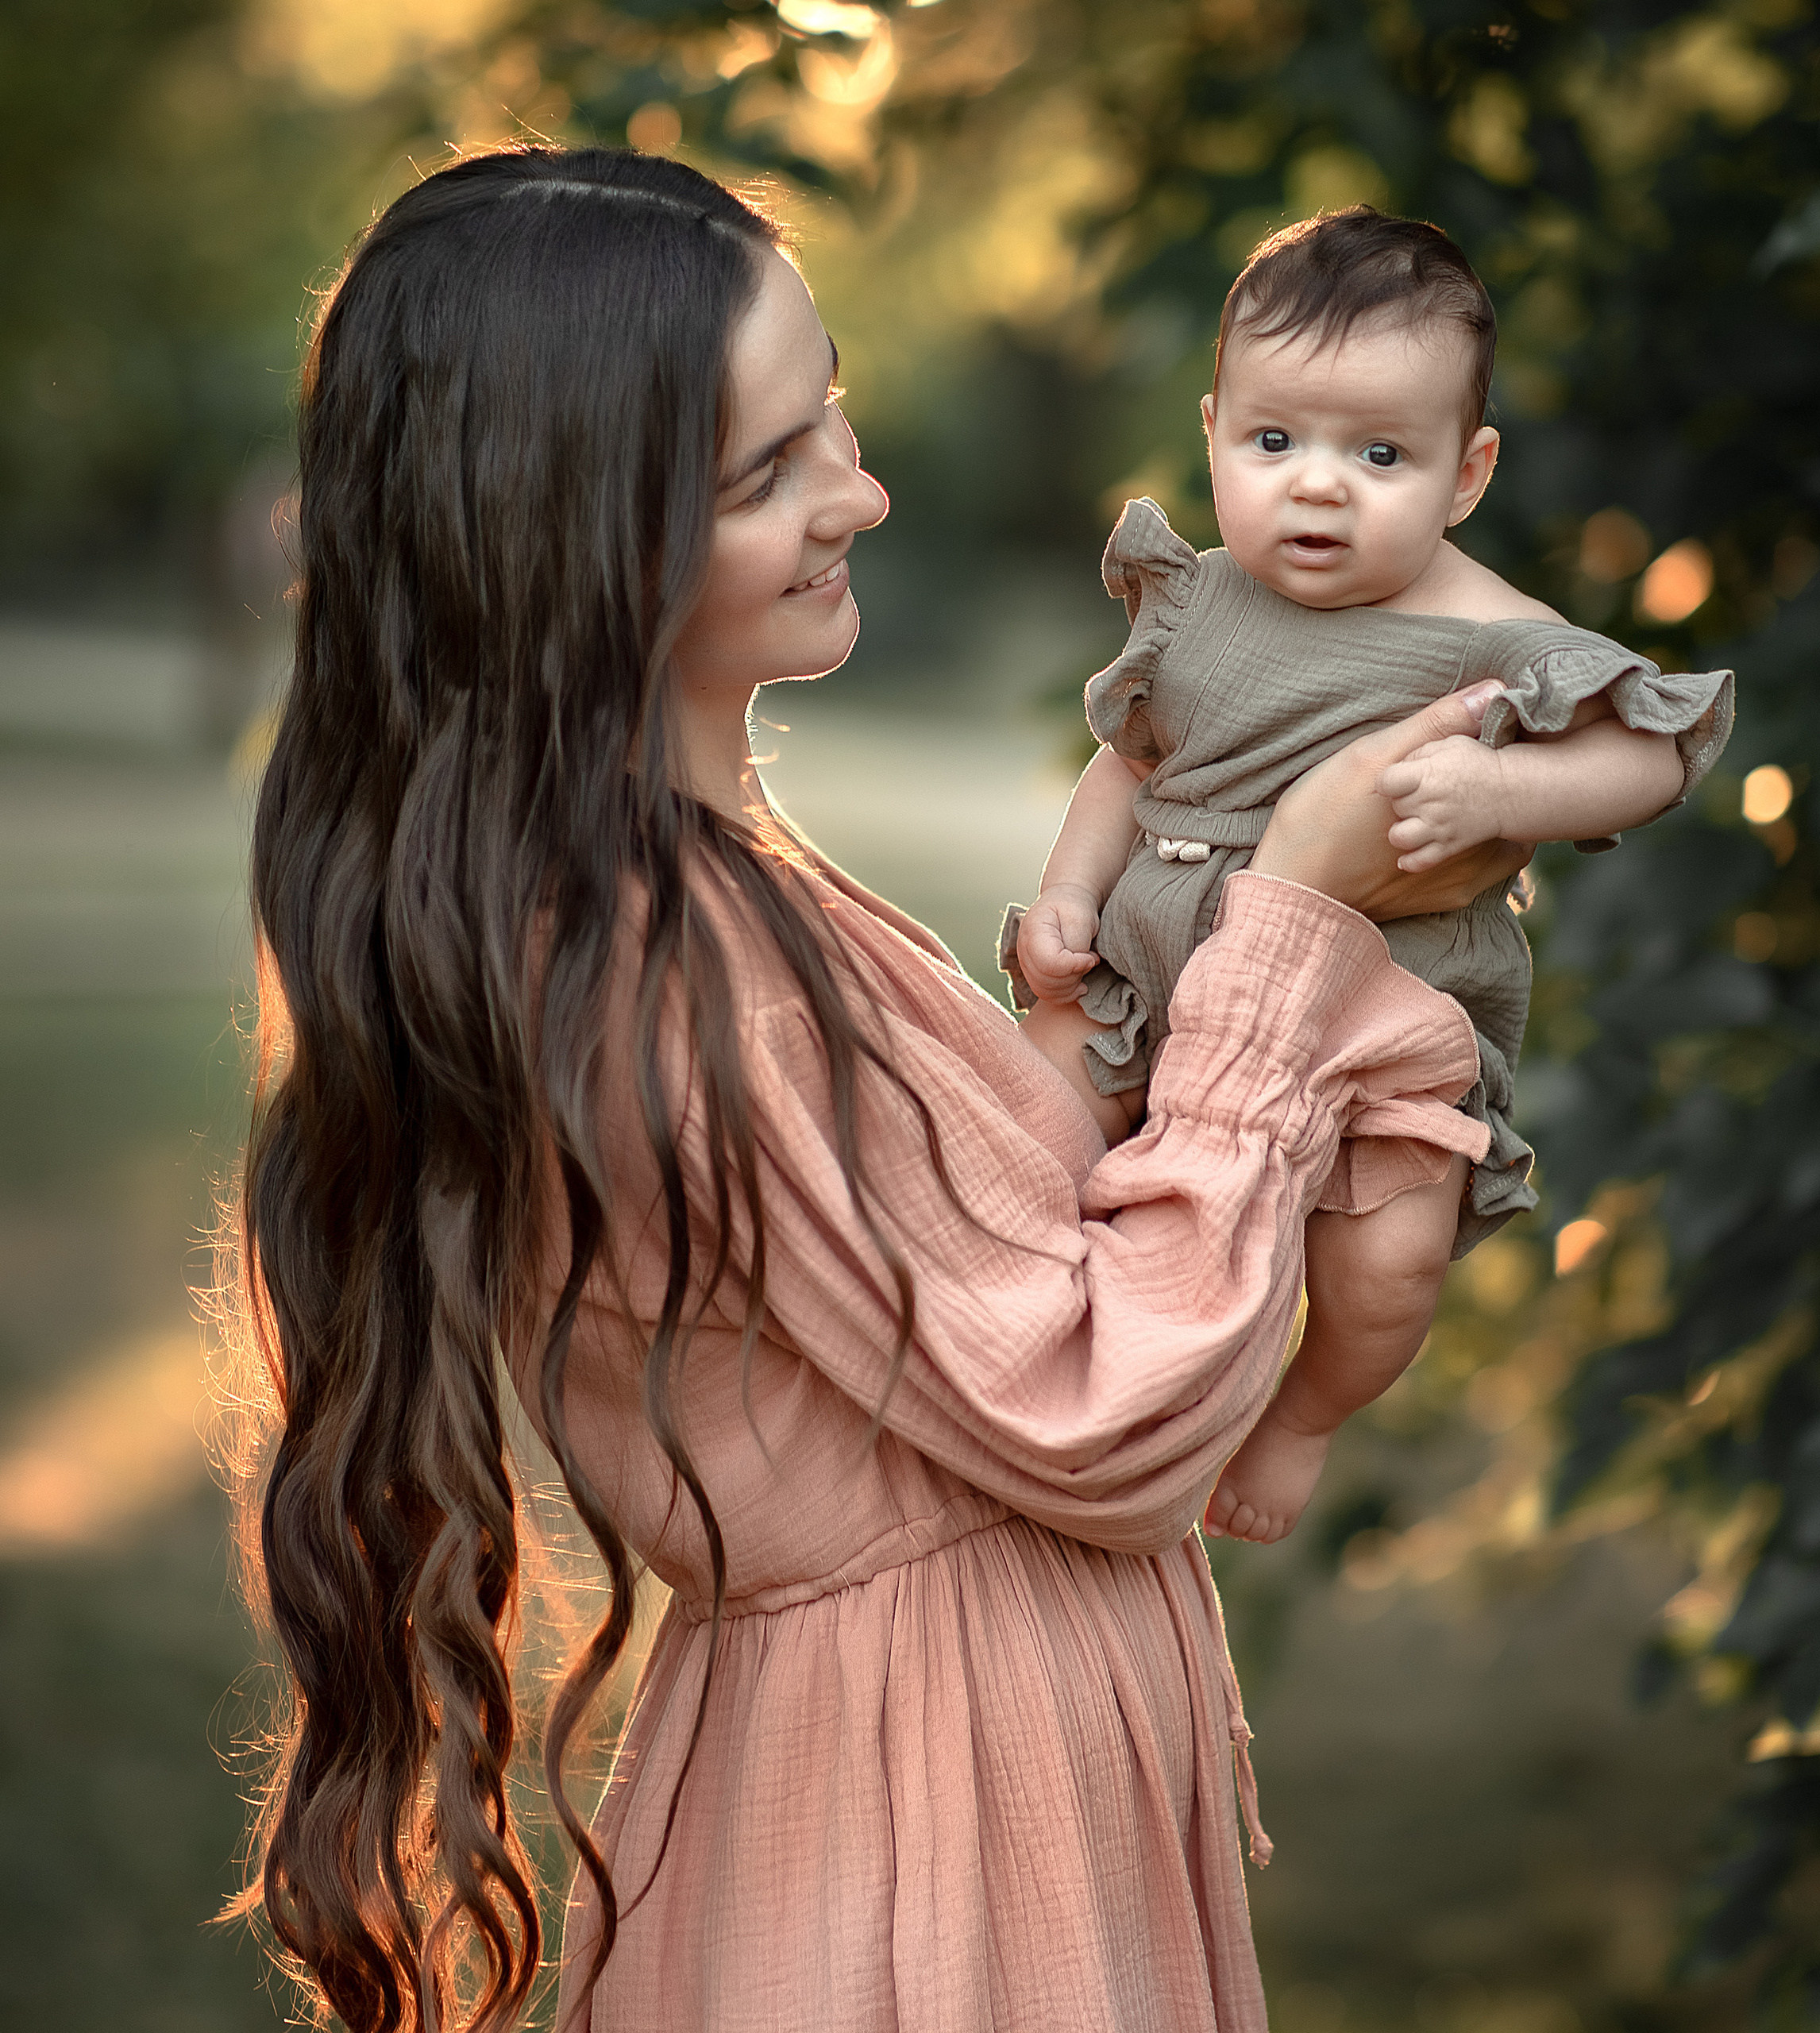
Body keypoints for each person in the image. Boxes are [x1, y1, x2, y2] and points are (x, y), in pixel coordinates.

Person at [222, 148, 1533, 2033]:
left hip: (947, 1764)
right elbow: (1104, 1412)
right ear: (572, 536)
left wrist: (1091, 1021)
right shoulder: (658, 965)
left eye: (829, 408)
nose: (863, 487)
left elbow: (958, 1270)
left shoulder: (705, 879)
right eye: (769, 470)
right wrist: (1289, 922)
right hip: (921, 1832)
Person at [1005, 208, 1733, 1546]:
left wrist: (1507, 787)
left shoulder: (1488, 631)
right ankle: (1061, 1351)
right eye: (1275, 442)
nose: (1320, 485)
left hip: (1380, 1012)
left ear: (1467, 474)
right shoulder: (1199, 601)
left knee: (1391, 1263)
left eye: (1381, 453)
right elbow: (1126, 765)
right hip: (1153, 955)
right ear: (1217, 427)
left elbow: (1655, 752)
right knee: (1034, 1140)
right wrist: (1066, 893)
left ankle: (1305, 1412)